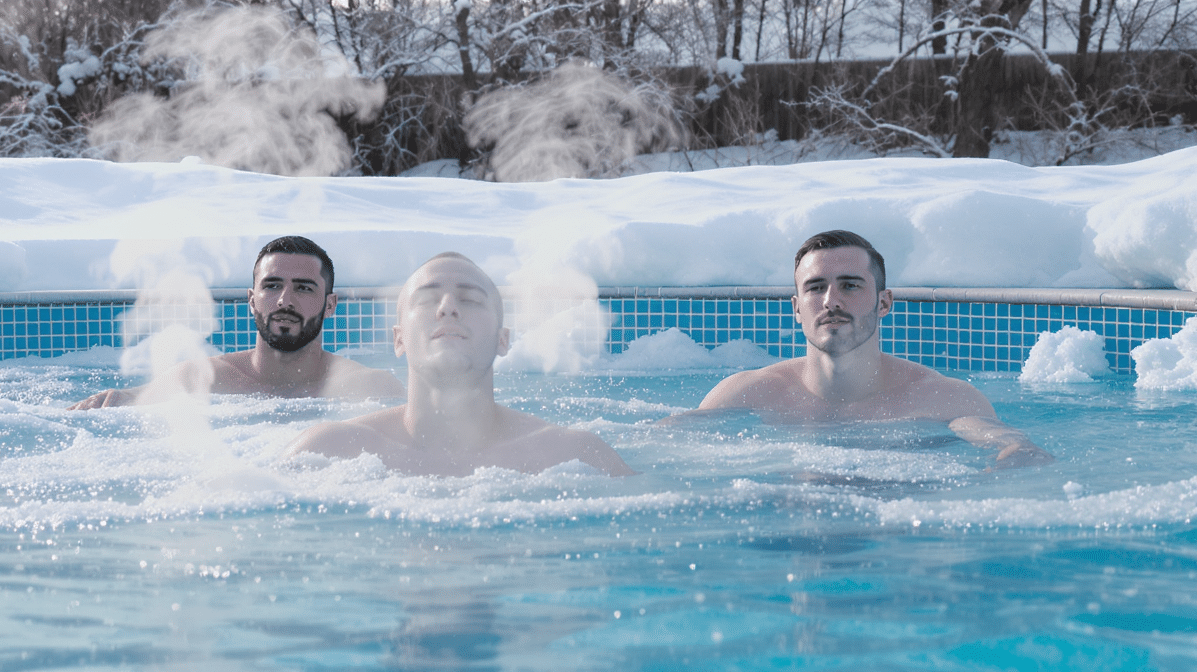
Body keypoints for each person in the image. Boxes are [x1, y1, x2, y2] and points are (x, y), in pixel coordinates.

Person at [670, 230, 1053, 469]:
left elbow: (1023, 453)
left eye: (850, 285)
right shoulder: (749, 392)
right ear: (797, 308)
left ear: (884, 303)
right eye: (815, 287)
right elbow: (659, 445)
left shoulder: (941, 397)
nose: (830, 300)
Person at [287, 252, 635, 477]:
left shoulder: (575, 456)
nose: (448, 307)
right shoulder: (328, 450)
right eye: (427, 299)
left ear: (503, 339)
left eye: (469, 299)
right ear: (399, 339)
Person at [69, 236, 404, 409]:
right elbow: (127, 402)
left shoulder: (372, 389)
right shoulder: (199, 379)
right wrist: (110, 401)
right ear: (251, 299)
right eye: (272, 286)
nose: (285, 300)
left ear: (330, 305)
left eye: (303, 288)